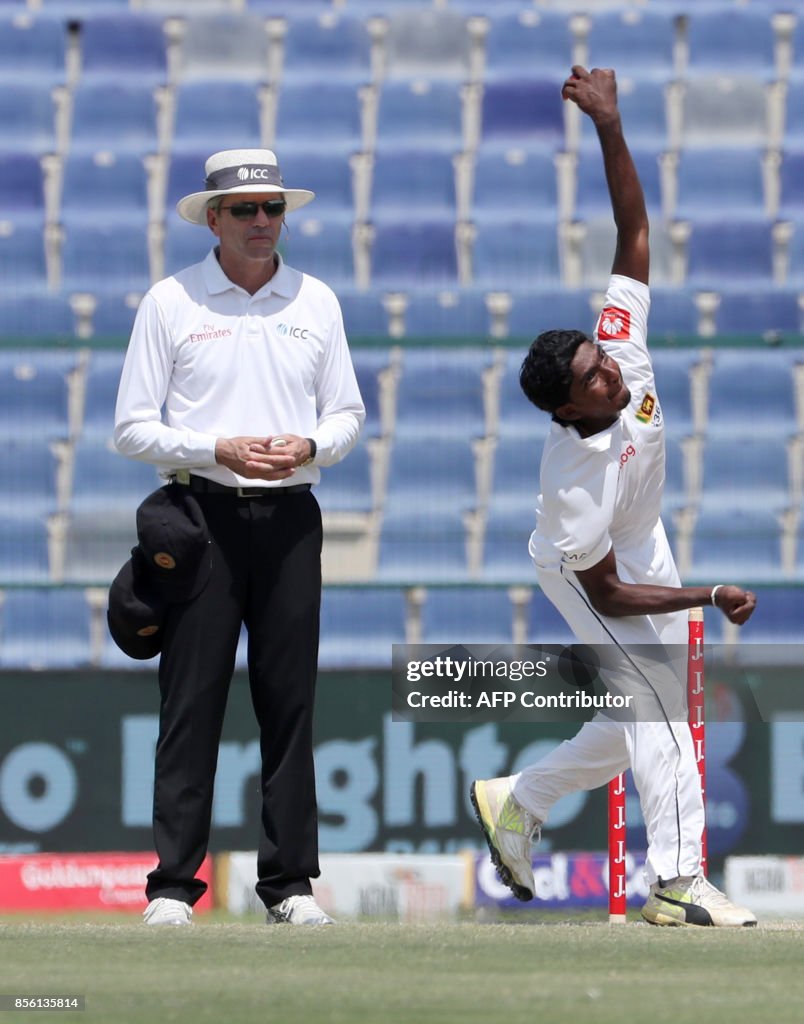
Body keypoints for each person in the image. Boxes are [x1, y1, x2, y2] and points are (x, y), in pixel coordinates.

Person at [471, 68, 758, 927]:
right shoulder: (572, 484)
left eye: (606, 358)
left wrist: (610, 123)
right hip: (585, 568)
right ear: (569, 407)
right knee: (664, 700)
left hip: (641, 537)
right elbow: (607, 592)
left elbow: (633, 229)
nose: (615, 373)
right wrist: (705, 592)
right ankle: (675, 881)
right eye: (597, 379)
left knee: (643, 717)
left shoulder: (619, 348)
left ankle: (519, 800)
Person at [114, 148, 365, 926]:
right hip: (203, 518)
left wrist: (311, 448)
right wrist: (215, 449)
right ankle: (170, 887)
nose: (262, 222)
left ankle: (289, 886)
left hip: (291, 517)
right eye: (246, 210)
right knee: (191, 704)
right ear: (213, 218)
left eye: (273, 208)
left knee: (289, 704)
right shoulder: (172, 301)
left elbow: (348, 414)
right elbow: (131, 428)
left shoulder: (316, 299)